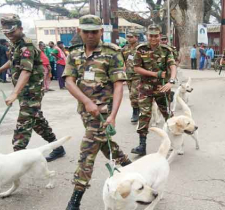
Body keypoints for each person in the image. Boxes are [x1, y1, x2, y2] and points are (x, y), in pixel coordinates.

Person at [62, 15, 132, 209]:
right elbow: (69, 81)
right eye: (86, 31)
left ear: (101, 31)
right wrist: (86, 102)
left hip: (103, 113)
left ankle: (76, 198)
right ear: (79, 32)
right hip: (86, 112)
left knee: (87, 151)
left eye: (94, 31)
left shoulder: (112, 52)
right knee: (104, 144)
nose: (90, 35)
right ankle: (129, 167)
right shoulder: (74, 54)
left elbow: (118, 86)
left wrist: (113, 116)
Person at [0, 14, 66, 161]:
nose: (9, 36)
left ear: (20, 28)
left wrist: (14, 93)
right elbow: (12, 61)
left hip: (31, 91)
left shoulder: (27, 46)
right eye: (6, 33)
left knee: (24, 123)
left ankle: (17, 158)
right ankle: (57, 147)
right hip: (24, 91)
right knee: (37, 121)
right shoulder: (16, 44)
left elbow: (26, 71)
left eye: (12, 32)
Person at [131, 24, 177, 156]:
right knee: (144, 115)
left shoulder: (166, 50)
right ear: (147, 36)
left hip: (162, 88)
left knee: (168, 115)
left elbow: (172, 65)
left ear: (159, 35)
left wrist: (171, 81)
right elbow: (136, 68)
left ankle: (174, 142)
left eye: (156, 36)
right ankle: (142, 145)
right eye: (151, 36)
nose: (153, 38)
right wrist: (155, 74)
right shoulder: (141, 49)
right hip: (145, 88)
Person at [121, 31, 141, 123]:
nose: (129, 38)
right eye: (127, 37)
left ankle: (136, 112)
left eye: (131, 37)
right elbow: (122, 61)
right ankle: (138, 109)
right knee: (132, 94)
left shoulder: (141, 48)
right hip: (129, 75)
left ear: (136, 37)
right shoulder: (124, 49)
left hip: (139, 75)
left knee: (134, 94)